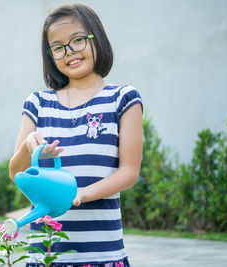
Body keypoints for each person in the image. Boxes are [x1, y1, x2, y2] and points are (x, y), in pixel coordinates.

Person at [9, 3, 143, 267]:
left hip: (102, 254)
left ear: (97, 38)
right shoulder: (37, 103)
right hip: (45, 254)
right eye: (58, 47)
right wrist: (27, 148)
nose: (69, 51)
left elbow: (129, 172)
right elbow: (16, 173)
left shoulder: (123, 99)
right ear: (50, 55)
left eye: (78, 40)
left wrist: (81, 194)